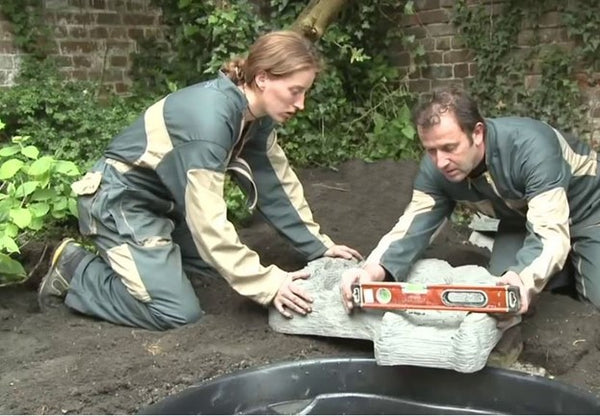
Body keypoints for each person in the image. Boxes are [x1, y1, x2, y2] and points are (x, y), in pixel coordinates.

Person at [37, 30, 362, 331]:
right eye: (295, 91)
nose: (301, 104)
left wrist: (320, 248)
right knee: (177, 311)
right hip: (120, 203)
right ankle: (75, 270)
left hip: (164, 206)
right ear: (262, 78)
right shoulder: (209, 123)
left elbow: (275, 187)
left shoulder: (255, 119)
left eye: (304, 92)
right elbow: (207, 223)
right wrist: (269, 284)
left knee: (211, 273)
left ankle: (152, 266)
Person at [341, 87, 600, 317]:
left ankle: (569, 268)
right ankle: (561, 273)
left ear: (477, 133)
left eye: (449, 148)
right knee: (499, 298)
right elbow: (412, 226)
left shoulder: (531, 148)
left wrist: (522, 277)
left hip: (588, 211)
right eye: (431, 150)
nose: (440, 161)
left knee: (593, 305)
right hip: (521, 221)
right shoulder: (437, 170)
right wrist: (371, 271)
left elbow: (551, 234)